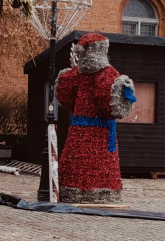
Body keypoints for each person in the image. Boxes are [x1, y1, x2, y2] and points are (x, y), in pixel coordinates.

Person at [55, 33, 136, 204]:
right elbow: (108, 104)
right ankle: (103, 193)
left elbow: (66, 96)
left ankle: (71, 190)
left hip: (78, 131)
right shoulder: (107, 73)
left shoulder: (77, 74)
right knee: (99, 164)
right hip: (100, 132)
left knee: (75, 160)